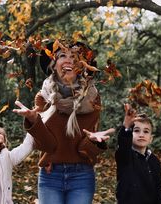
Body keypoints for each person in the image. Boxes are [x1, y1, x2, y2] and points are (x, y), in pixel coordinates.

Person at [13, 39, 115, 204]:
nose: (68, 60)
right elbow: (48, 146)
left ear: (81, 65)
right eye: (62, 55)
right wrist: (34, 121)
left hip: (82, 176)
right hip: (51, 175)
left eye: (74, 56)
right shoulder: (43, 97)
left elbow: (85, 152)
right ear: (53, 65)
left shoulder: (92, 97)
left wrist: (94, 142)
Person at [115, 103, 161, 204]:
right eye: (136, 130)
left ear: (151, 139)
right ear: (131, 133)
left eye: (146, 131)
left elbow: (159, 189)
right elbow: (123, 144)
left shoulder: (154, 161)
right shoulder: (126, 156)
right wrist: (127, 128)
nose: (141, 135)